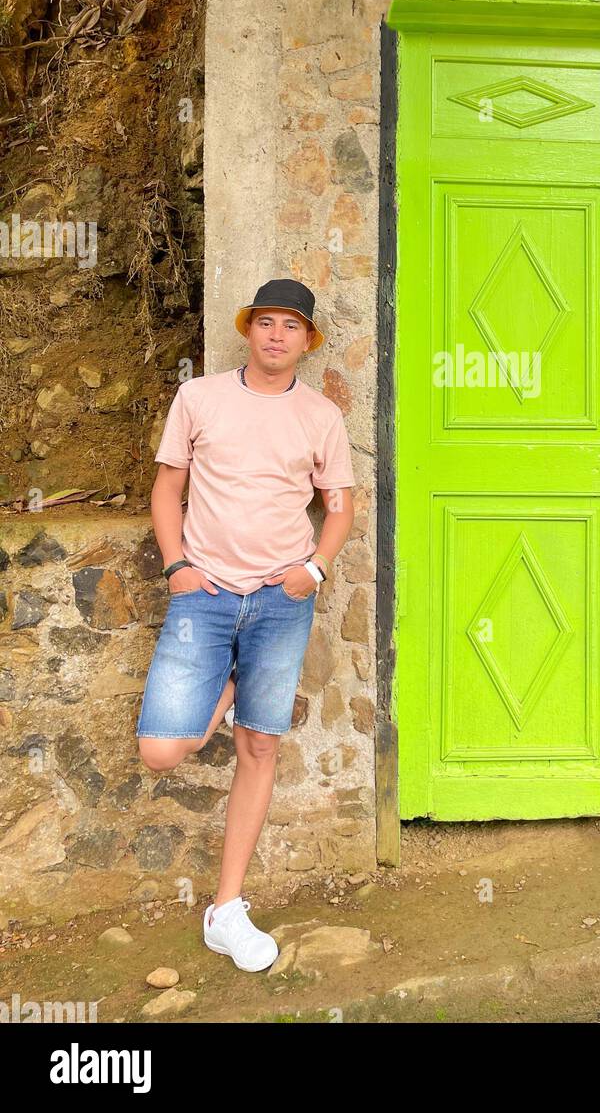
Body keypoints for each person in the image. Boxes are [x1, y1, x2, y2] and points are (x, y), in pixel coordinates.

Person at [135, 278, 356, 972]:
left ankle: (226, 910)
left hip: (280, 599)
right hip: (203, 595)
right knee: (162, 751)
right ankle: (231, 680)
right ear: (249, 329)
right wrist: (176, 566)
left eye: (291, 326)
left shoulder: (320, 416)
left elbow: (340, 506)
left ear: (307, 340)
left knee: (260, 745)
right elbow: (167, 486)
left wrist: (313, 571)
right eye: (266, 322)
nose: (276, 335)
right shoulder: (199, 398)